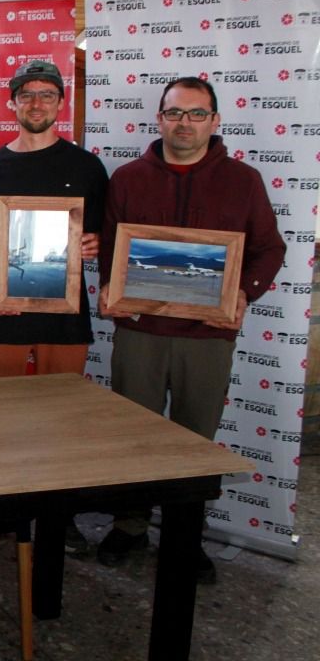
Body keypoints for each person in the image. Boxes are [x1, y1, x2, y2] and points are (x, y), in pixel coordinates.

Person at [96, 76, 285, 582]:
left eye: (196, 114)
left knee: (195, 442)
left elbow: (271, 249)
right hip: (141, 334)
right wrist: (109, 288)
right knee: (132, 437)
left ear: (215, 121)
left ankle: (185, 537)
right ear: (160, 119)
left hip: (208, 339)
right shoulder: (130, 178)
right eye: (175, 113)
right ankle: (130, 526)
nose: (184, 123)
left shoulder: (244, 181)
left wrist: (245, 291)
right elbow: (113, 249)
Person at [0, 60, 108, 377]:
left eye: (47, 95)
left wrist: (98, 242)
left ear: (61, 103)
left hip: (65, 321)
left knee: (62, 417)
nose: (37, 104)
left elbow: (105, 236)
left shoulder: (88, 168)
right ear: (12, 103)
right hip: (1, 316)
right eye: (27, 95)